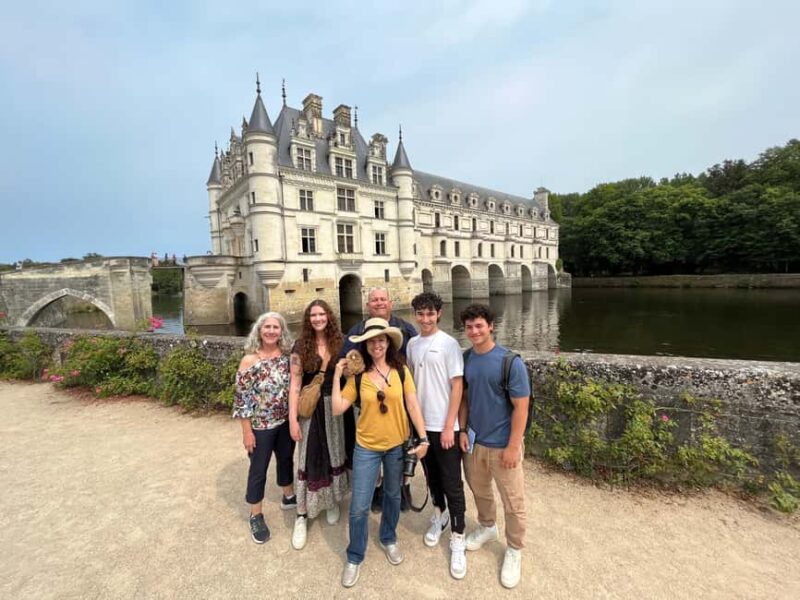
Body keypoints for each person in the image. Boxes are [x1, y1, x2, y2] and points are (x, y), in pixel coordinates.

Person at [332, 318, 429, 588]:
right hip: (367, 447)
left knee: (392, 495)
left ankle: (388, 537)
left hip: (397, 445)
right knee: (360, 505)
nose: (377, 344)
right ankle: (355, 555)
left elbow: (412, 404)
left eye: (382, 340)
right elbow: (338, 408)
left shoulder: (400, 371)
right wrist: (338, 376)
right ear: (366, 344)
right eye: (372, 340)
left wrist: (423, 438)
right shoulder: (358, 375)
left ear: (389, 343)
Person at [458, 303, 530, 589]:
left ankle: (514, 548)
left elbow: (521, 408)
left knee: (513, 501)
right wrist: (463, 430)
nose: (474, 331)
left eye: (479, 326)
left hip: (503, 445)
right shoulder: (466, 359)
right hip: (475, 442)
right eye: (469, 327)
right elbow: (464, 399)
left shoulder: (510, 362)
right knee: (481, 491)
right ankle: (487, 527)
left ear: (491, 326)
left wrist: (514, 446)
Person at [406, 292, 467, 579]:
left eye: (430, 314)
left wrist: (449, 426)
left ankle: (458, 535)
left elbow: (457, 387)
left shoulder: (449, 344)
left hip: (445, 426)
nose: (425, 319)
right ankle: (439, 514)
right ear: (415, 315)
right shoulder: (413, 344)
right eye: (420, 313)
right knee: (432, 478)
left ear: (439, 314)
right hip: (422, 426)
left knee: (453, 482)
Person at [340, 286, 418, 512]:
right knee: (372, 448)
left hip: (399, 400)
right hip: (367, 402)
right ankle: (376, 492)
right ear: (368, 305)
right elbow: (345, 364)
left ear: (390, 303)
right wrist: (351, 373)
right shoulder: (356, 330)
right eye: (374, 300)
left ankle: (401, 491)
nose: (379, 303)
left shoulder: (405, 328)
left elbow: (414, 360)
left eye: (383, 299)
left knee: (401, 448)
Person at [288, 300, 349, 550]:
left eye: (321, 314)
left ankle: (332, 500)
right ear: (308, 318)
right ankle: (302, 514)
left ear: (329, 316)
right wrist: (292, 419)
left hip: (333, 408)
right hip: (310, 410)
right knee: (308, 457)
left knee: (333, 453)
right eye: (313, 315)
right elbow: (294, 385)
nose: (317, 318)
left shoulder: (340, 343)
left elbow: (349, 374)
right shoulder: (300, 346)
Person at [232, 311, 297, 544]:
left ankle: (288, 496)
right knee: (258, 468)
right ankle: (255, 514)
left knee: (286, 459)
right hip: (260, 425)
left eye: (275, 327)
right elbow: (242, 400)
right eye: (267, 327)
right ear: (259, 331)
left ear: (282, 332)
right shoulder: (250, 360)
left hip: (283, 421)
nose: (271, 331)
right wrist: (247, 432)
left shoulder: (287, 356)